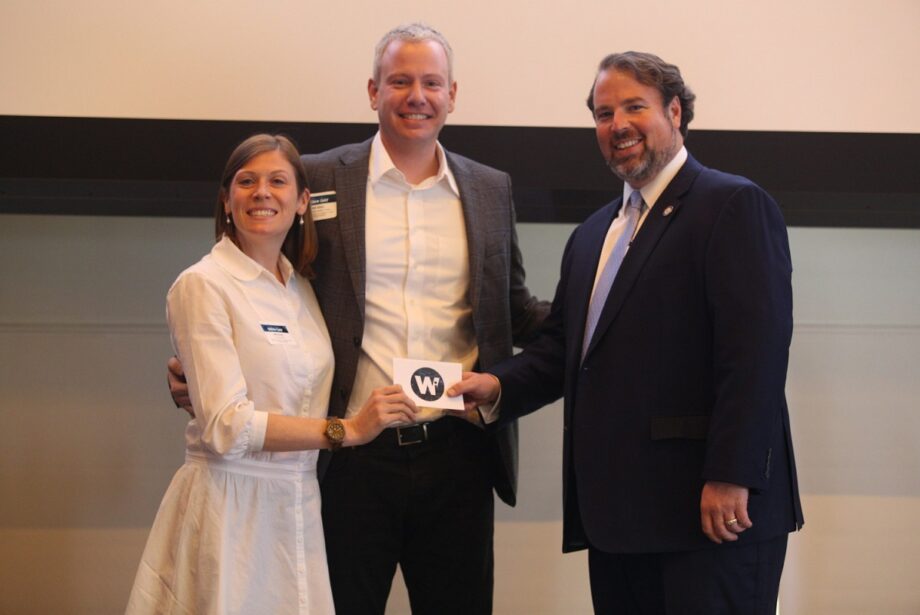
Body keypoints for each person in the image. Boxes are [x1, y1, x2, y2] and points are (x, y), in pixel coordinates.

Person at [168, 25, 548, 615]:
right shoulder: (317, 177)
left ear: (453, 95)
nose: (415, 95)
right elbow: (250, 281)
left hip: (458, 453)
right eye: (399, 81)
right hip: (348, 455)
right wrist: (199, 362)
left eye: (430, 82)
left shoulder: (489, 189)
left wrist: (600, 316)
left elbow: (513, 309)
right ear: (373, 91)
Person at [449, 52, 804, 614]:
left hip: (708, 513)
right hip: (618, 523)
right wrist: (496, 388)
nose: (617, 125)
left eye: (634, 107)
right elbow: (565, 349)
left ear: (676, 111)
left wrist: (731, 475)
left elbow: (755, 356)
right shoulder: (593, 234)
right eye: (603, 113)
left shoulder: (731, 204)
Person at [131, 134, 418, 614]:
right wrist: (346, 430)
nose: (262, 192)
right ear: (226, 199)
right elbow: (226, 426)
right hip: (230, 508)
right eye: (246, 181)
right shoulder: (203, 284)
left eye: (277, 181)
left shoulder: (301, 287)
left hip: (298, 505)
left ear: (303, 200)